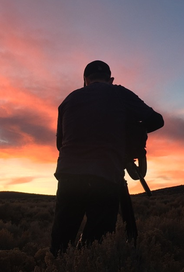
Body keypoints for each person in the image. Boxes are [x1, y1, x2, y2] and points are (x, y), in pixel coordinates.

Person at [50, 60, 164, 256]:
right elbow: (156, 120)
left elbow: (61, 144)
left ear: (85, 80)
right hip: (106, 175)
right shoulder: (119, 93)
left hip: (69, 176)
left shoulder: (68, 100)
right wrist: (128, 131)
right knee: (97, 243)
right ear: (110, 79)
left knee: (61, 242)